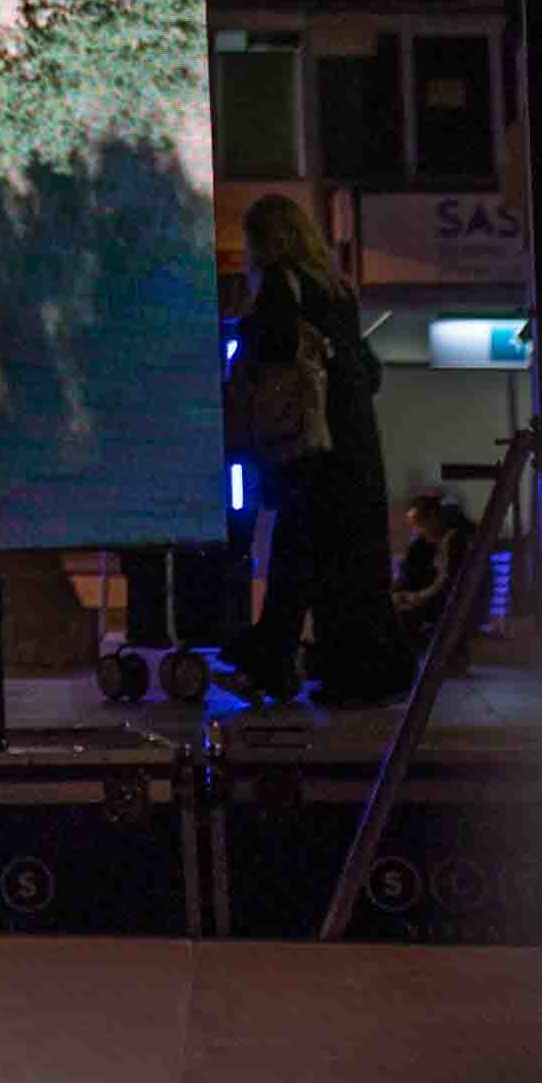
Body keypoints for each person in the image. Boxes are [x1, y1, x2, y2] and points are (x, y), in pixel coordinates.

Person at [229, 193, 408, 708]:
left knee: (296, 550)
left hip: (312, 450)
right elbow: (369, 372)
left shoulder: (281, 286)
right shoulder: (339, 292)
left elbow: (272, 346)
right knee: (335, 562)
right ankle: (346, 668)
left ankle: (273, 659)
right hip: (355, 452)